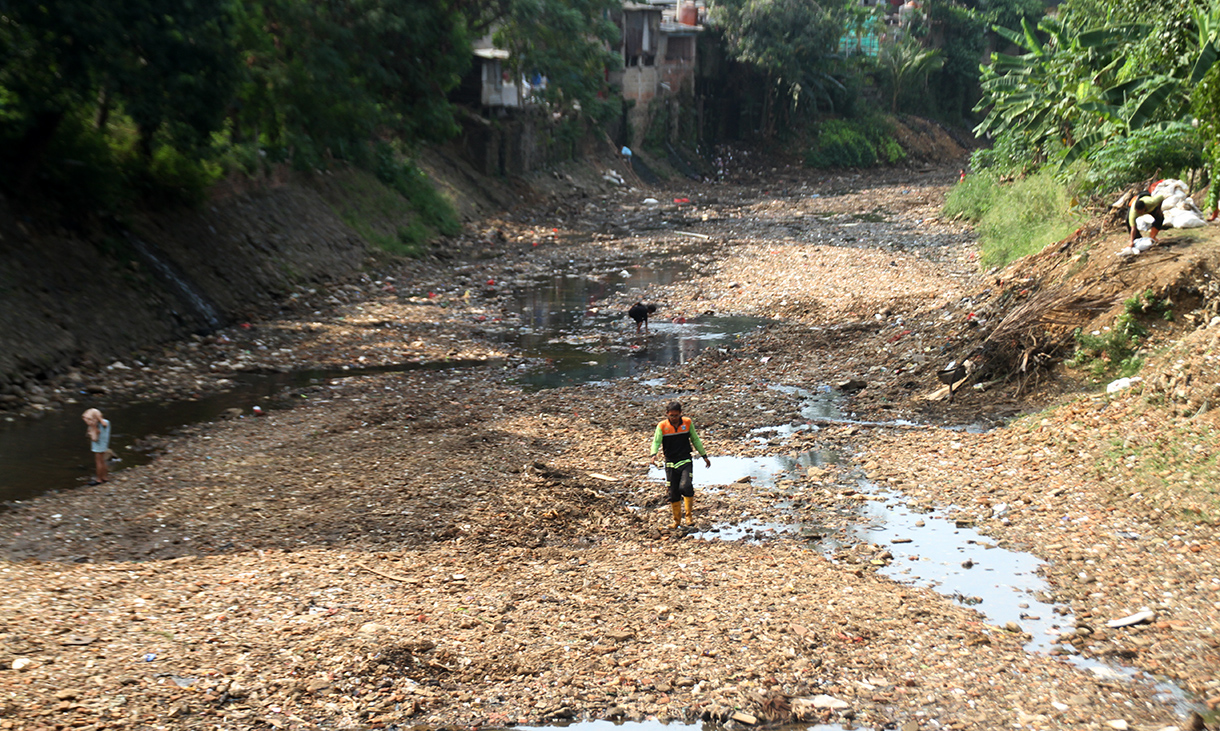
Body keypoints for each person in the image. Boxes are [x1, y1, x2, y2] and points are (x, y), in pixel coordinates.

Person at [648, 400, 710, 529]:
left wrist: (704, 455)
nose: (674, 418)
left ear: (681, 414)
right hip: (670, 461)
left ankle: (689, 517)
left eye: (676, 415)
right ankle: (676, 521)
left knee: (685, 486)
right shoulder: (662, 426)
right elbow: (656, 441)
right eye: (671, 416)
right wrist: (653, 454)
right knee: (673, 492)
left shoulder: (687, 423)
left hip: (685, 459)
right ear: (667, 414)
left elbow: (695, 439)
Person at [82, 408, 111, 485]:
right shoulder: (106, 422)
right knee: (102, 461)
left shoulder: (97, 425)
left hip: (99, 445)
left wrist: (93, 427)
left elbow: (94, 438)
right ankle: (105, 477)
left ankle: (99, 479)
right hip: (104, 444)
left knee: (98, 462)